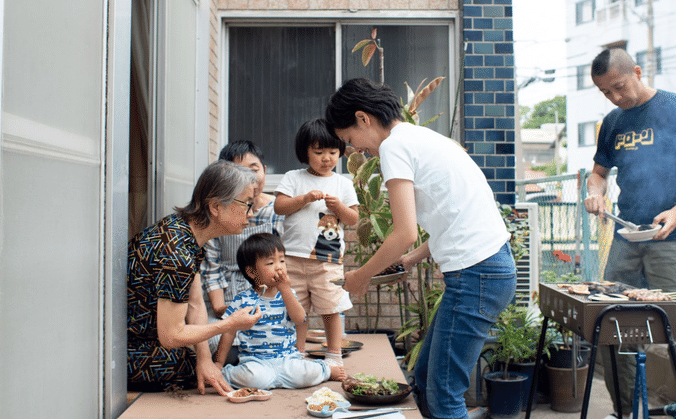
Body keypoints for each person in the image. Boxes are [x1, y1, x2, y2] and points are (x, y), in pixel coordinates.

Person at [324, 78, 516, 419]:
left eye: (349, 139)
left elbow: (404, 232)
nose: (355, 149)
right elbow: (454, 217)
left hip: (477, 275)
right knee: (427, 378)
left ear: (363, 118)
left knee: (444, 393)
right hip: (489, 268)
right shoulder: (422, 137)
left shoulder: (393, 148)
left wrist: (361, 276)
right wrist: (411, 260)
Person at [583, 48, 676, 419]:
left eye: (619, 87)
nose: (614, 97)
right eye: (605, 93)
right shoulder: (612, 122)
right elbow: (598, 172)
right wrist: (594, 192)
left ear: (638, 73)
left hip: (675, 239)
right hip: (628, 239)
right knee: (612, 330)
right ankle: (625, 412)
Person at [126, 160, 263, 396]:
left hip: (148, 339)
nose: (251, 213)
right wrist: (229, 324)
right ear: (216, 207)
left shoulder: (183, 231)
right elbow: (171, 336)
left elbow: (196, 303)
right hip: (129, 351)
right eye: (246, 204)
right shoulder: (177, 254)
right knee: (234, 359)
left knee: (214, 357)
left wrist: (205, 359)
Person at [273, 118, 360, 368]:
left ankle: (334, 357)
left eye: (333, 152)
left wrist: (339, 207)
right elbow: (280, 206)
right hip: (292, 257)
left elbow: (353, 218)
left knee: (331, 309)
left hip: (328, 260)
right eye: (319, 152)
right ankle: (296, 355)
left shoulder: (343, 183)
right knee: (297, 310)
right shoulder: (293, 177)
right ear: (305, 152)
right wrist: (304, 198)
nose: (327, 158)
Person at [214, 233, 347, 389]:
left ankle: (327, 369)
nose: (279, 266)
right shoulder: (243, 300)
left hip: (288, 359)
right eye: (270, 263)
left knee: (303, 374)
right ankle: (224, 374)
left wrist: (285, 290)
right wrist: (218, 363)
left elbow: (299, 319)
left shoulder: (288, 295)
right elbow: (228, 332)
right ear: (251, 272)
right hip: (256, 361)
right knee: (253, 379)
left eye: (282, 261)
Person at [200, 141, 285, 366]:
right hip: (226, 299)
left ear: (265, 170)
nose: (250, 177)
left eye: (254, 169)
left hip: (267, 294)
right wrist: (221, 309)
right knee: (218, 340)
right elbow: (212, 268)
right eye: (239, 171)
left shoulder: (279, 210)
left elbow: (285, 263)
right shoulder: (217, 212)